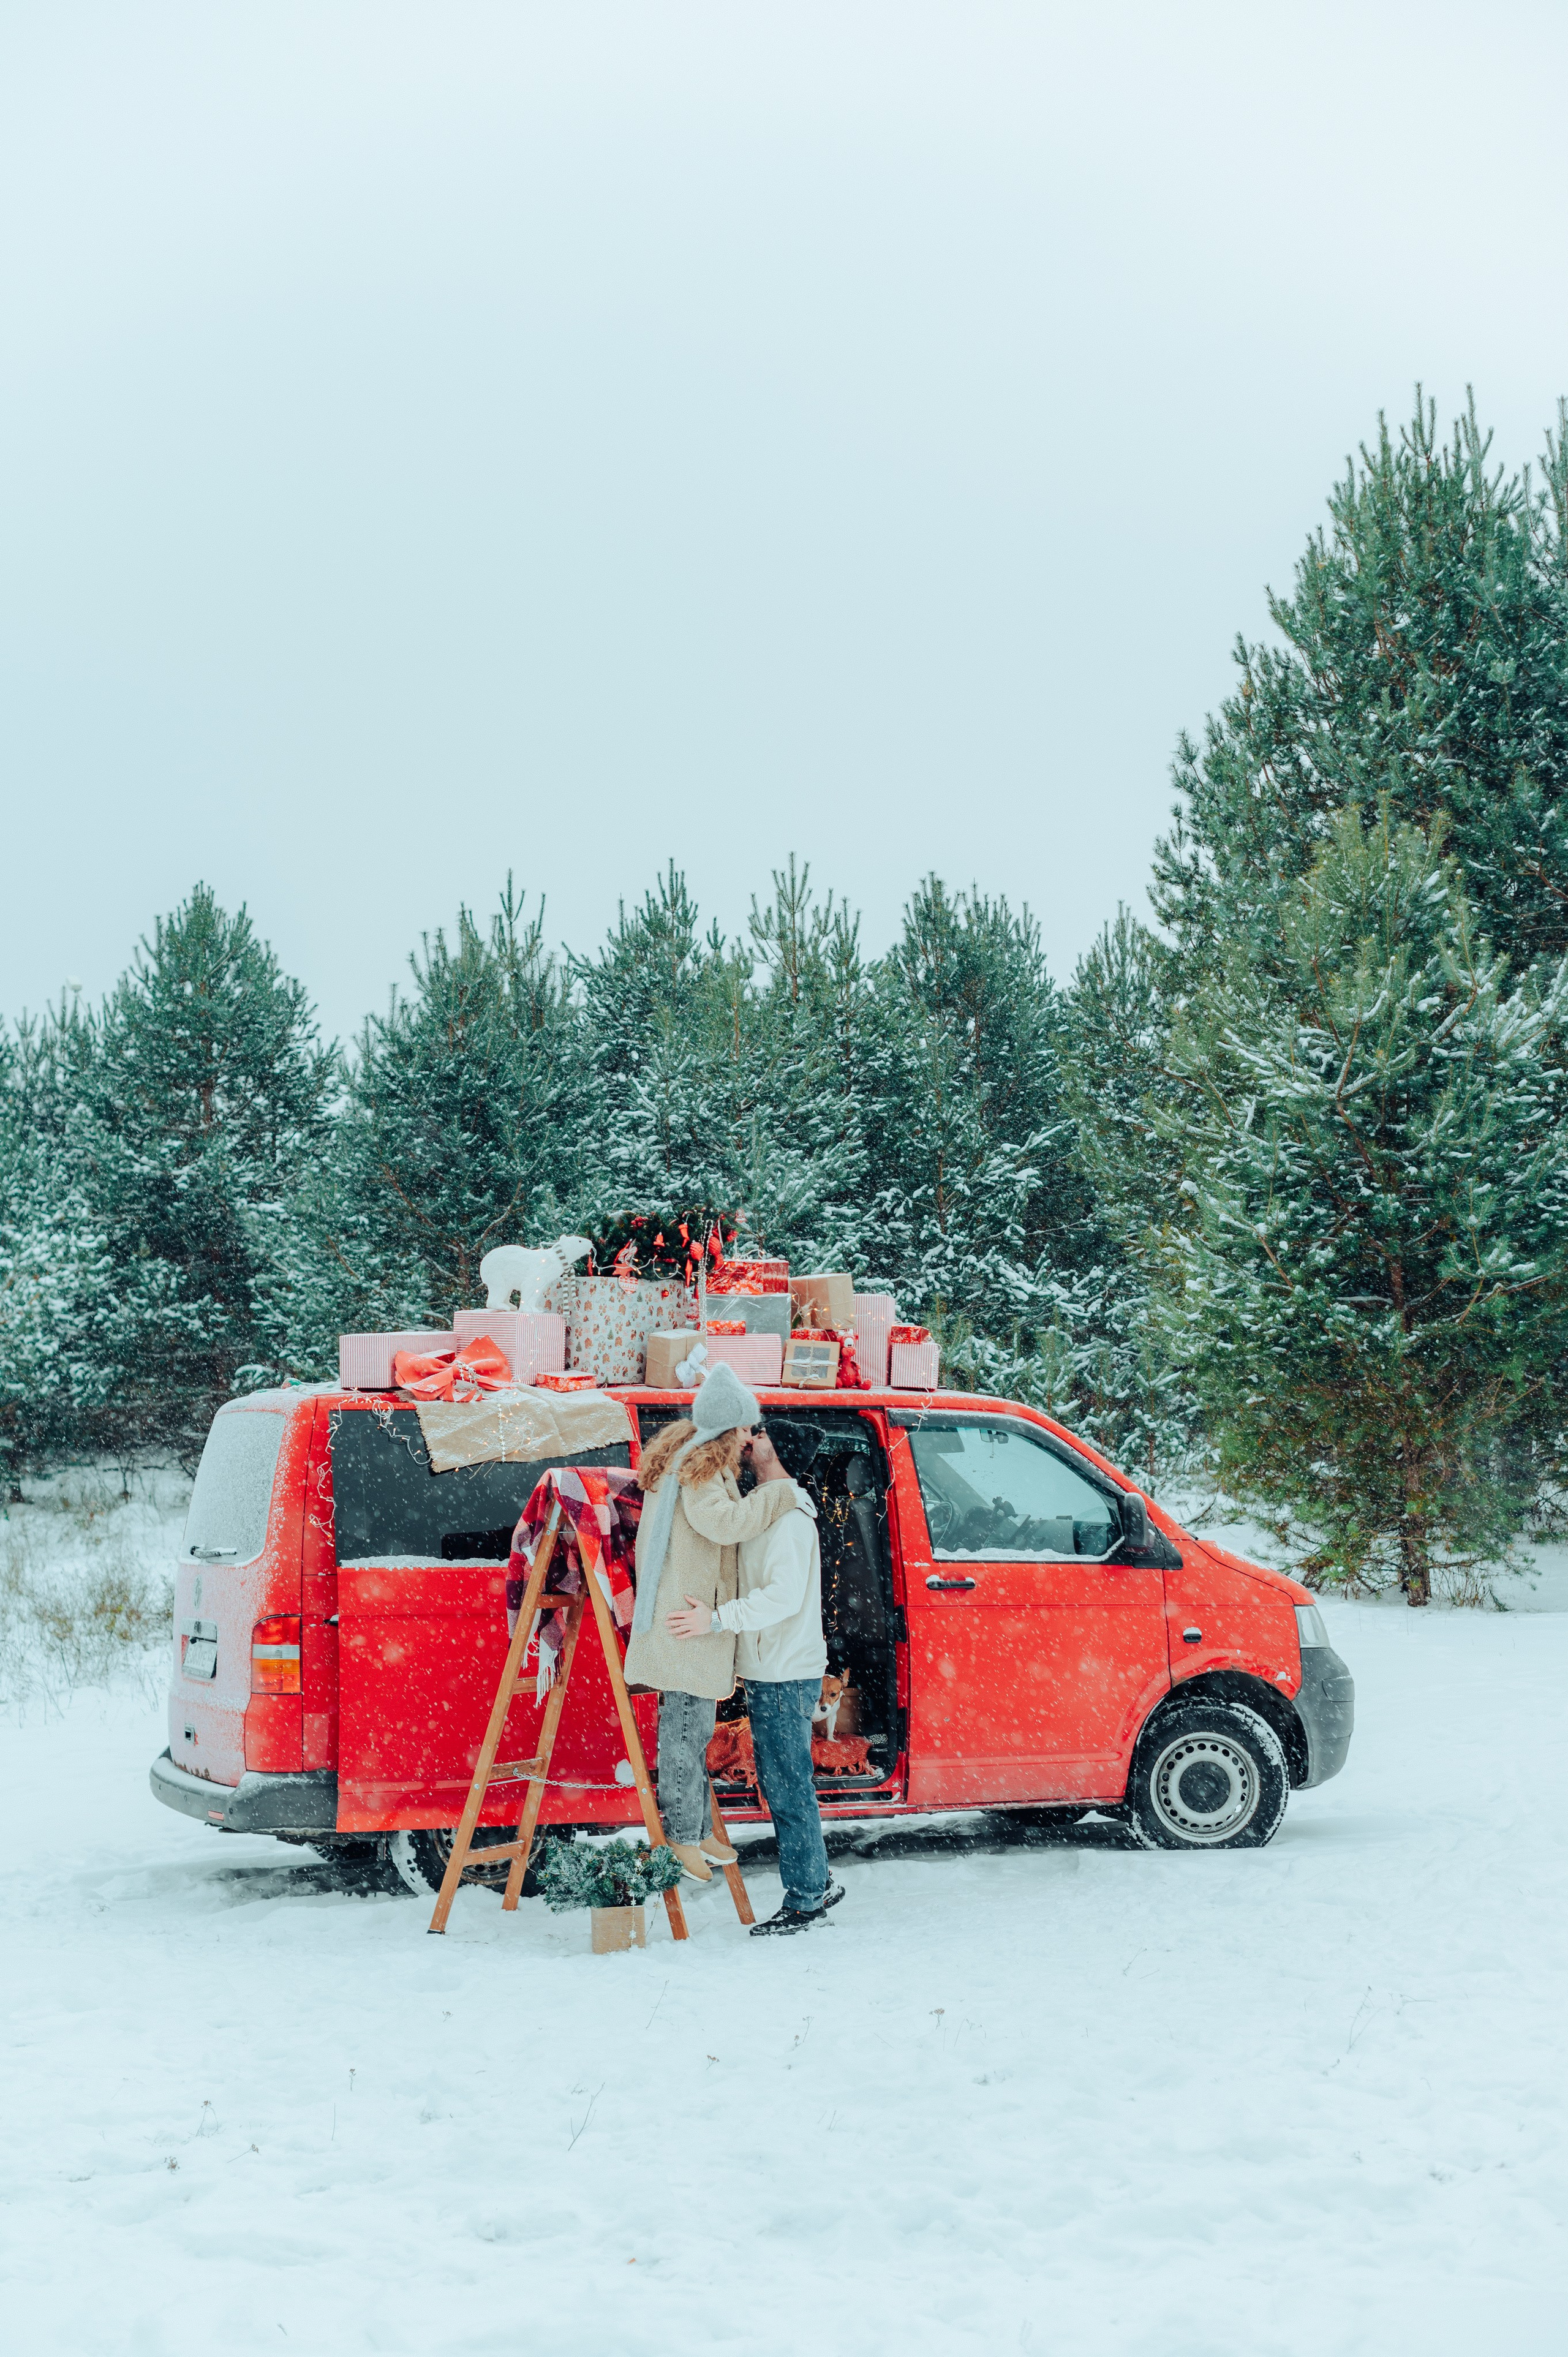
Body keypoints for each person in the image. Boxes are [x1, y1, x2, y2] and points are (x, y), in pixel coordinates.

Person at [624, 1363, 801, 1884]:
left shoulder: (692, 1461)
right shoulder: (701, 1470)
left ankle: (697, 1829)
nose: (751, 1438)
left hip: (689, 1619)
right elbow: (724, 1525)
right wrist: (781, 1493)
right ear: (729, 1429)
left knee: (694, 1732)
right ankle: (681, 1838)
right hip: (687, 1623)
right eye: (747, 1427)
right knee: (685, 1733)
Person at [669, 1424, 845, 1936]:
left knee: (788, 1786)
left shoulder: (788, 1520)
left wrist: (717, 1619)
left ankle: (808, 1897)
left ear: (776, 1450)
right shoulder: (766, 1508)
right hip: (775, 1668)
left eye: (759, 1434)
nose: (750, 1440)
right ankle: (816, 1882)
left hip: (786, 1673)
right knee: (785, 1781)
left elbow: (782, 1597)